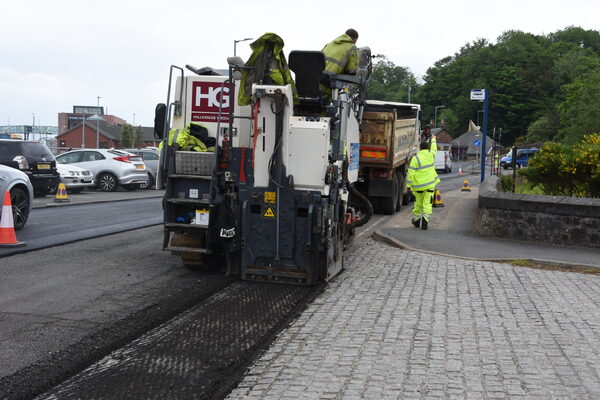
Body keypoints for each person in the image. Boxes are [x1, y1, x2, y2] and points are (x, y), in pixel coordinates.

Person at [406, 134, 441, 230]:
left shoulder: (415, 158)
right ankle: (425, 221)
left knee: (417, 204)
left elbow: (411, 173)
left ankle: (417, 220)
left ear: (420, 149)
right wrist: (433, 139)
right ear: (428, 148)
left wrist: (408, 186)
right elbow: (434, 149)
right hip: (429, 187)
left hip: (418, 187)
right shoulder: (431, 155)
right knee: (427, 204)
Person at [320, 29, 359, 99]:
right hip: (329, 83)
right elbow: (351, 71)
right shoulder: (352, 47)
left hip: (316, 79)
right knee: (347, 89)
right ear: (354, 39)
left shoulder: (330, 43)